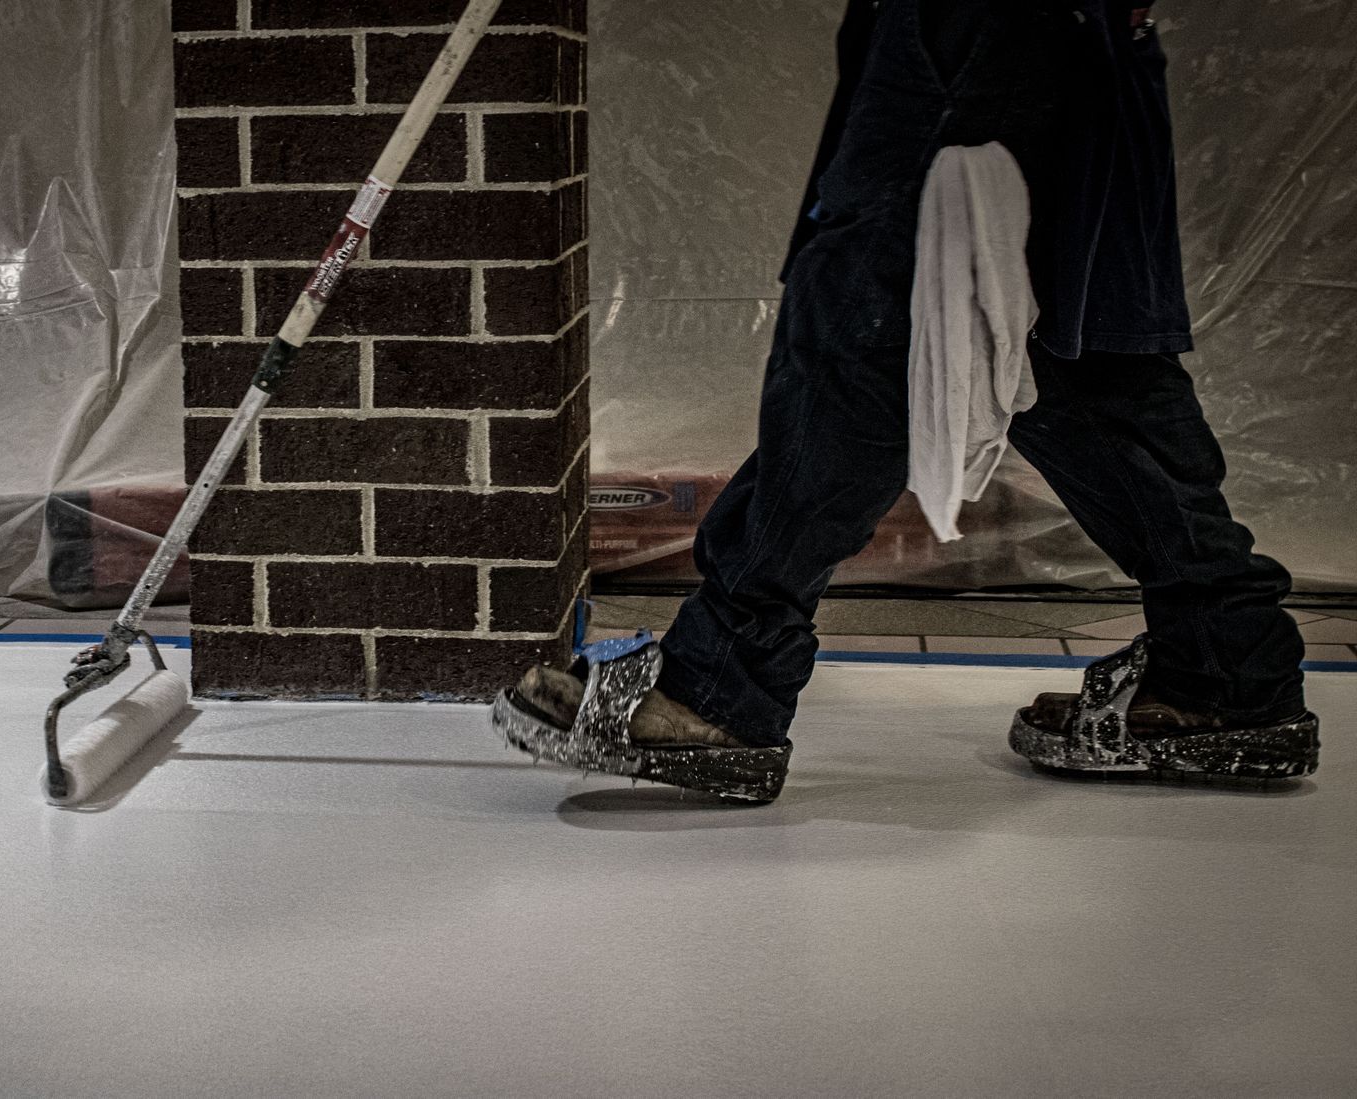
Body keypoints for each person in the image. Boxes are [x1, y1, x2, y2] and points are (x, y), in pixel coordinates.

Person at [493, 0, 1320, 802]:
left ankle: (720, 682)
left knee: (872, 317)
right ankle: (1226, 660)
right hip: (1056, 23)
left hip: (978, 24)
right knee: (1051, 336)